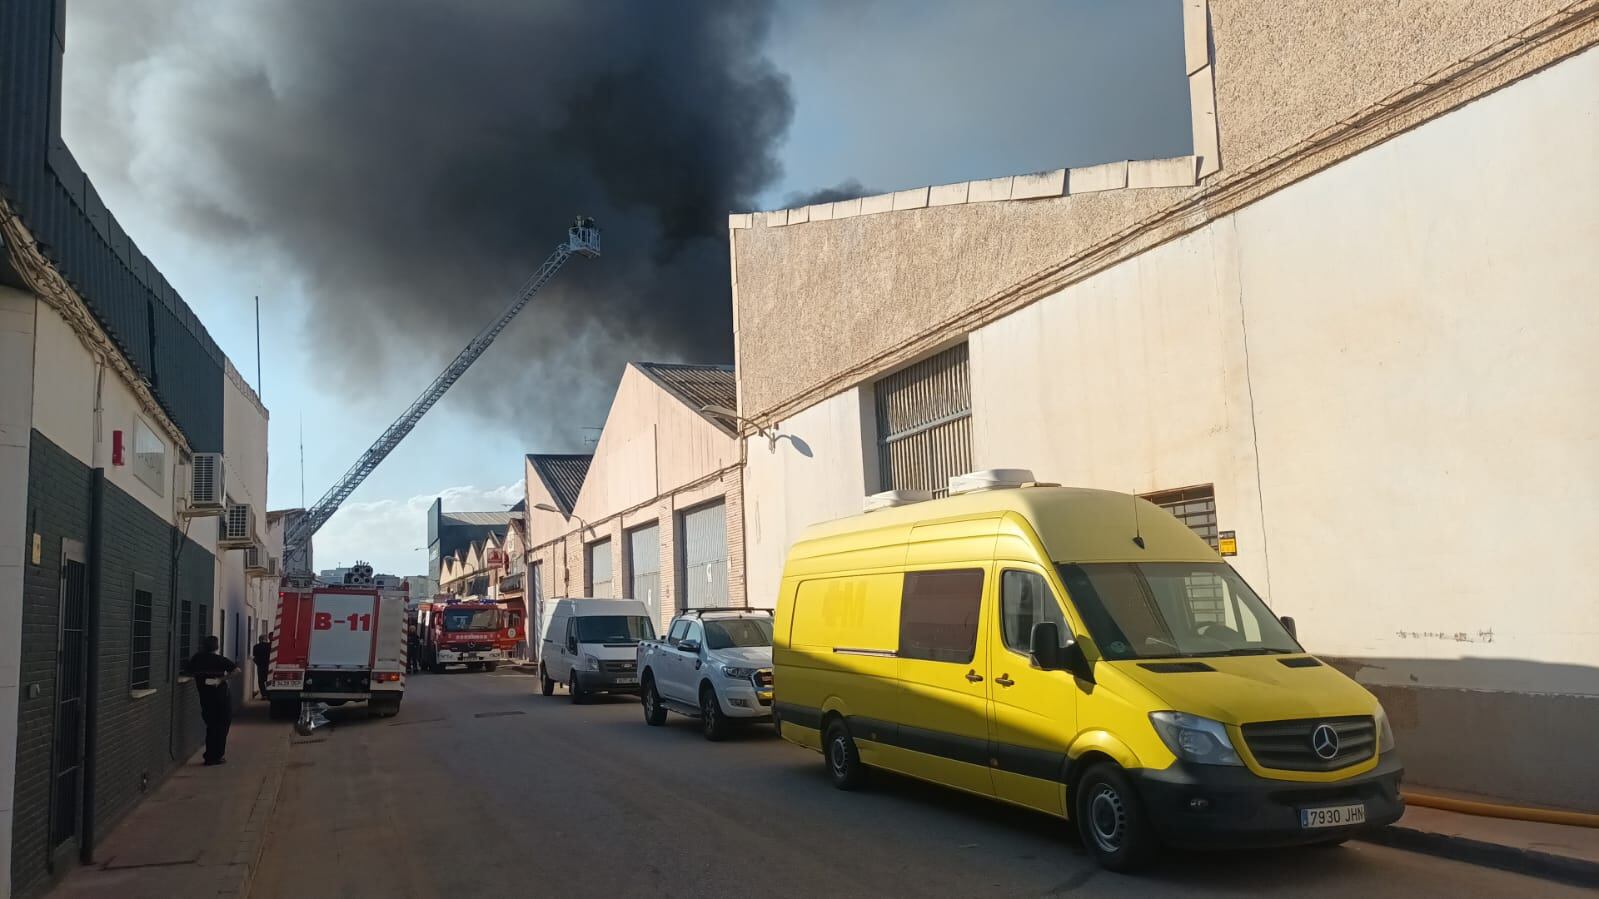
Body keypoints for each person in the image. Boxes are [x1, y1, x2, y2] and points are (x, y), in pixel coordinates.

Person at [188, 635, 238, 766]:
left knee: (211, 726)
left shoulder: (197, 659)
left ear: (203, 646)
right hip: (221, 698)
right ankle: (217, 756)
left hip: (205, 698)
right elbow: (236, 670)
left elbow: (189, 671)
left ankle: (209, 756)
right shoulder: (219, 660)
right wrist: (221, 679)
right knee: (223, 726)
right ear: (216, 647)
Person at [252, 633, 272, 699]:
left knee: (261, 681)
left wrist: (257, 663)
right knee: (268, 680)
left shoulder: (256, 647)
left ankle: (264, 695)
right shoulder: (269, 646)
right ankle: (269, 694)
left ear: (259, 639)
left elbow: (254, 657)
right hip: (269, 666)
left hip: (260, 666)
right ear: (265, 639)